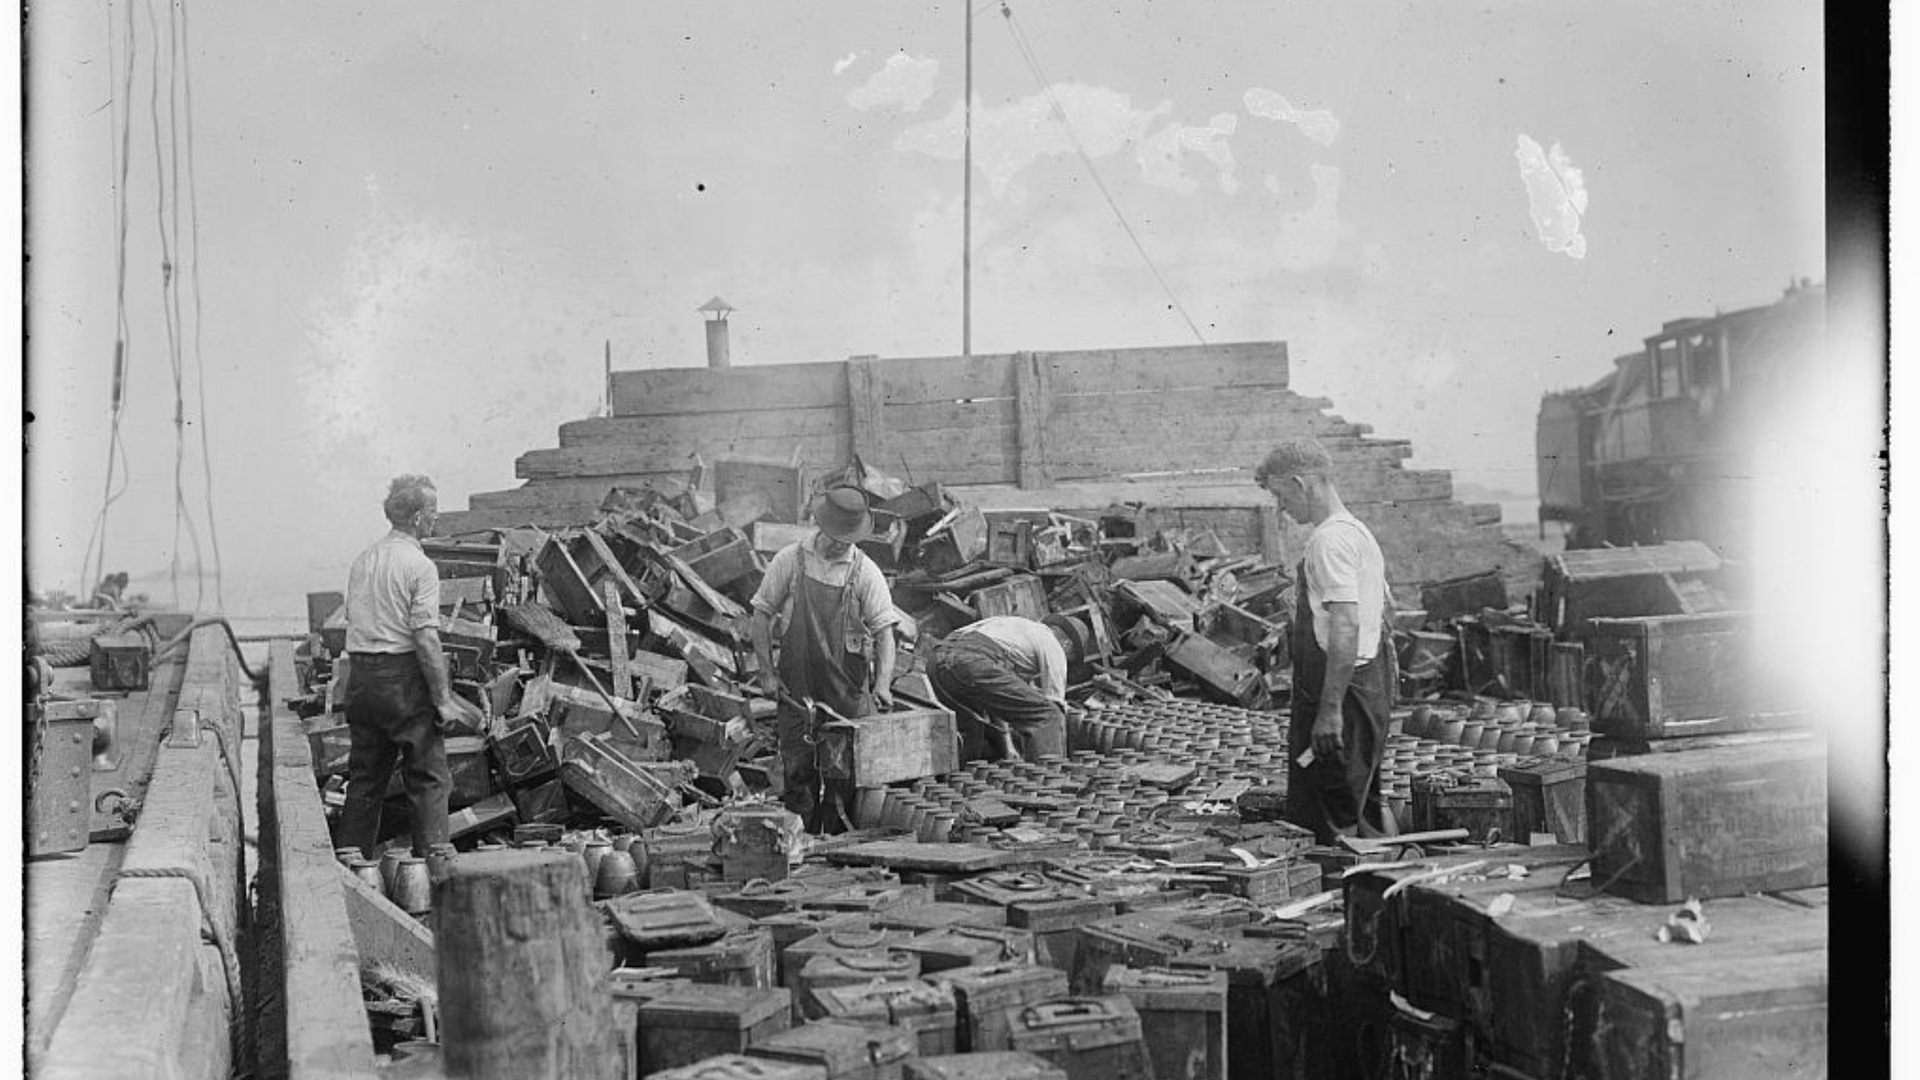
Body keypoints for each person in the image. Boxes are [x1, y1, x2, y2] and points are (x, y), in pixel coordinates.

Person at [1257, 438, 1398, 844]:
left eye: (1282, 497)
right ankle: (1378, 892)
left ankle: (1340, 901)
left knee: (1332, 826)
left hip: (1340, 696)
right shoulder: (1357, 533)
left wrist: (1330, 710)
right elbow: (1384, 614)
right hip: (1365, 688)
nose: (1282, 509)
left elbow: (1346, 626)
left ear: (1302, 484)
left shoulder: (1328, 540)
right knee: (1361, 808)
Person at [338, 474, 478, 859]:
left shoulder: (363, 560)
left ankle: (351, 869)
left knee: (364, 781)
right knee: (429, 779)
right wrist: (444, 700)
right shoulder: (420, 565)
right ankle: (434, 878)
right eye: (433, 510)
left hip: (361, 680)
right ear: (417, 517)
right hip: (401, 680)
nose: (437, 518)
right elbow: (425, 638)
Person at [749, 485, 901, 831]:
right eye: (834, 536)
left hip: (845, 696)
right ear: (820, 525)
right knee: (798, 774)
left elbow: (885, 635)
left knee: (841, 779)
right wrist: (766, 673)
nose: (839, 544)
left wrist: (882, 684)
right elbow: (761, 616)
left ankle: (833, 850)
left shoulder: (865, 572)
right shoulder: (789, 560)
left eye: (846, 538)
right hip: (795, 688)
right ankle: (798, 847)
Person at [926, 615, 1070, 762]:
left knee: (973, 732)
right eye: (1071, 657)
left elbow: (1000, 703)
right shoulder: (1051, 643)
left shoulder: (1015, 627)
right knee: (1047, 714)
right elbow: (1054, 707)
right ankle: (1048, 778)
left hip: (936, 661)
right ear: (1067, 644)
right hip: (969, 661)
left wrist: (1009, 747)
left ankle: (958, 775)